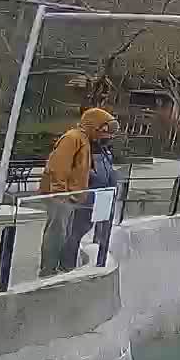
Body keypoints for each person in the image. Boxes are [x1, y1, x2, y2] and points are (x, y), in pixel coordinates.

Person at [38, 107, 114, 275]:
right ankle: (48, 270)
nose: (106, 135)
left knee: (64, 233)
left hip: (71, 197)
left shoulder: (84, 140)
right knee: (57, 232)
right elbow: (58, 166)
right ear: (93, 125)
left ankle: (58, 268)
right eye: (104, 129)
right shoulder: (73, 138)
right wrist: (60, 194)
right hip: (61, 196)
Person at [66, 121, 120, 268]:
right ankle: (67, 265)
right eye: (106, 133)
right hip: (86, 199)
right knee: (75, 232)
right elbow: (79, 173)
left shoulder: (105, 152)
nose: (109, 137)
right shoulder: (85, 150)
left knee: (96, 230)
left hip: (103, 198)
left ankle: (99, 261)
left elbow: (108, 174)